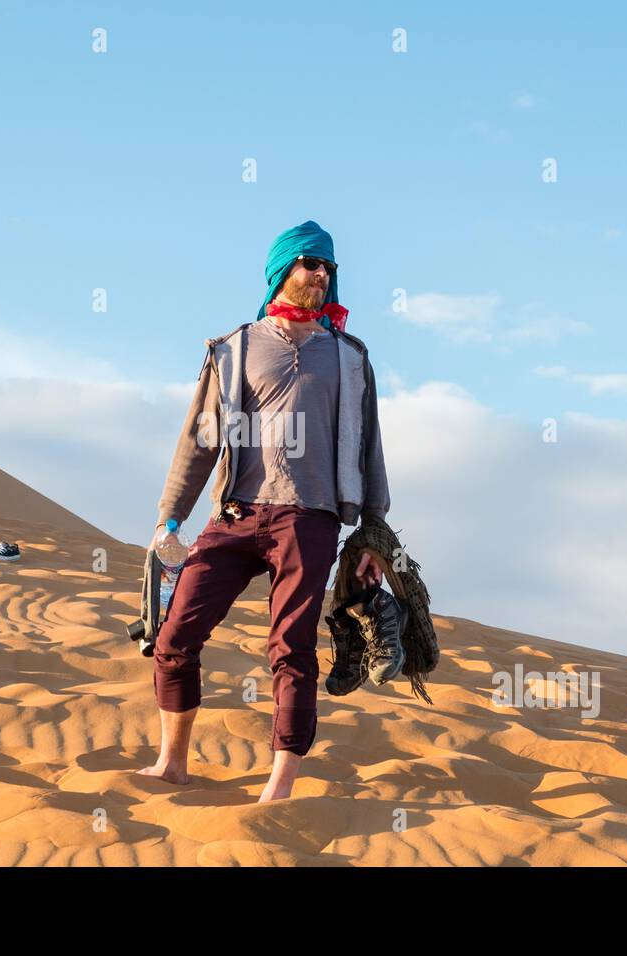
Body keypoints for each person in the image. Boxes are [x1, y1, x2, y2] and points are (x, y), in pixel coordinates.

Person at [135, 220, 391, 802]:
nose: (322, 274)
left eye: (328, 266)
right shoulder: (235, 347)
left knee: (291, 648)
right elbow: (200, 441)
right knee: (175, 633)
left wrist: (374, 529)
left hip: (311, 517)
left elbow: (370, 443)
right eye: (310, 264)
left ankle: (278, 787)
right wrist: (169, 519)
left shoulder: (350, 358)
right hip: (237, 512)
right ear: (283, 271)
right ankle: (172, 763)